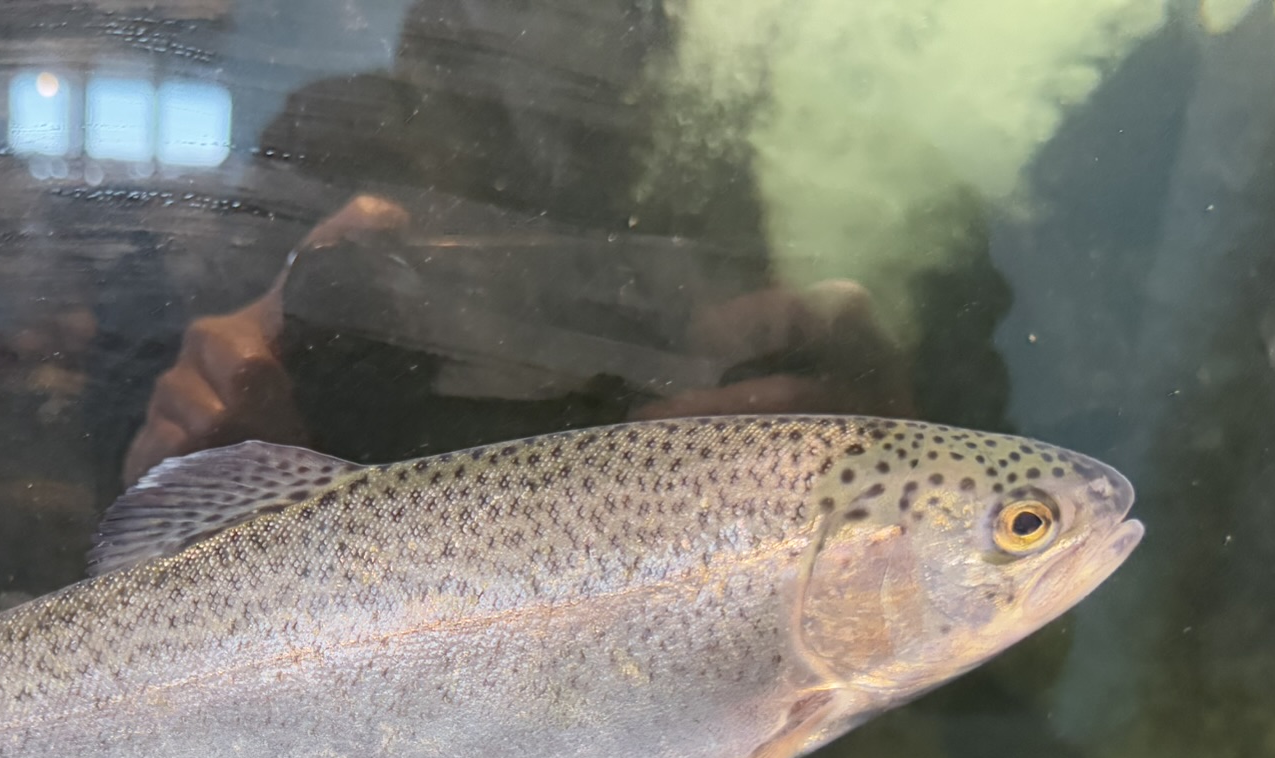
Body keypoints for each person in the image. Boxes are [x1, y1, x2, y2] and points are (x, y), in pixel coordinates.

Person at [123, 0, 930, 486]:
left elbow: (1016, 630)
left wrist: (877, 449)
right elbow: (148, 421)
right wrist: (188, 448)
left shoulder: (742, 158)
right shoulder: (330, 134)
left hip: (689, 608)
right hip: (345, 626)